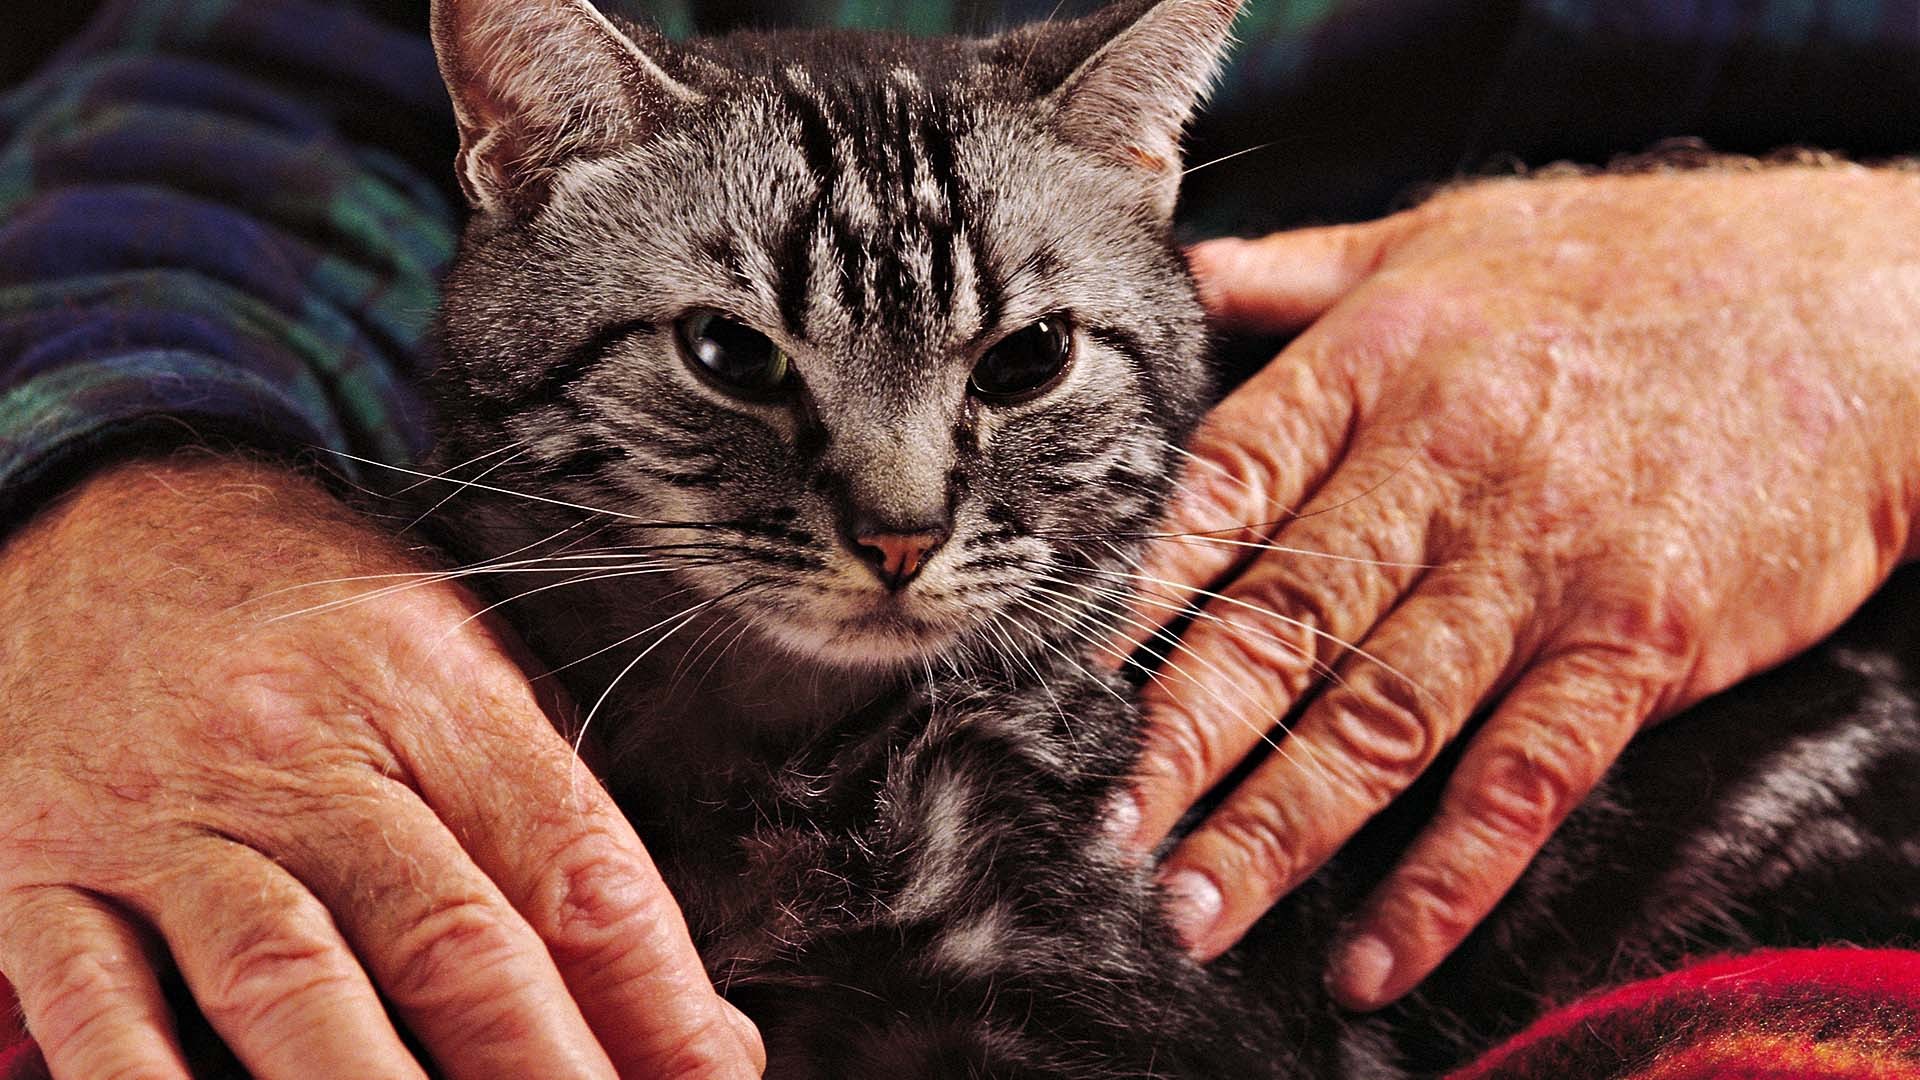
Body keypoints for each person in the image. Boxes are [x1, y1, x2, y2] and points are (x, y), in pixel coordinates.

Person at [2, 0, 1917, 1077]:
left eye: (1014, 370)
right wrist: (119, 486)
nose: (899, 518)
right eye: (742, 362)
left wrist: (1883, 289)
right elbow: (231, 95)